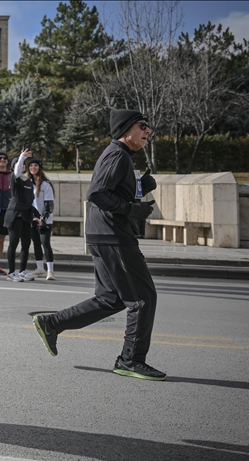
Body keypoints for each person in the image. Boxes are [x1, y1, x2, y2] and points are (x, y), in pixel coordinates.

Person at [32, 109, 163, 380]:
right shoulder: (117, 154)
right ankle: (130, 360)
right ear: (126, 130)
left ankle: (52, 323)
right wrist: (132, 209)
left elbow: (112, 190)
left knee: (110, 299)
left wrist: (140, 186)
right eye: (142, 126)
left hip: (105, 234)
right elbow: (97, 193)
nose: (148, 130)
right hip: (114, 236)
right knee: (142, 298)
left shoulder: (122, 156)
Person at [3, 150, 41, 282]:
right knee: (13, 243)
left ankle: (23, 270)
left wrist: (36, 216)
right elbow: (17, 170)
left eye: (24, 164)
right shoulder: (15, 178)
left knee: (26, 243)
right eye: (19, 164)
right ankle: (11, 272)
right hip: (15, 213)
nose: (22, 166)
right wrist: (22, 157)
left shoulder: (29, 182)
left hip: (26, 214)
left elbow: (30, 202)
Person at [28, 159, 56, 280]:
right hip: (33, 218)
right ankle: (40, 268)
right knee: (36, 243)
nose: (33, 167)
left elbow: (49, 204)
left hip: (45, 220)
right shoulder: (28, 183)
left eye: (36, 165)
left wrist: (43, 219)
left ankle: (50, 270)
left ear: (40, 168)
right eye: (31, 165)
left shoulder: (45, 184)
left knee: (45, 243)